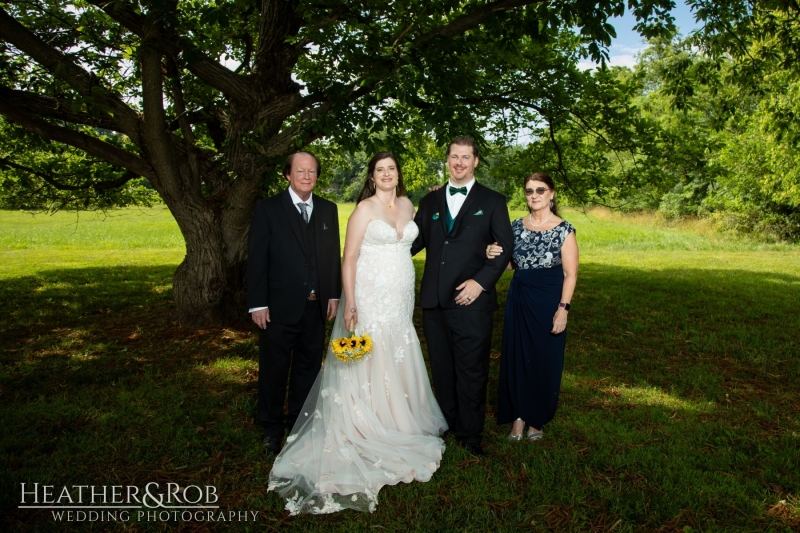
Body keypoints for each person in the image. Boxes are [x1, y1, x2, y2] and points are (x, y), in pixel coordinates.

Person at [268, 152, 447, 515]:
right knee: (368, 353)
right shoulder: (363, 209)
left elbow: (416, 243)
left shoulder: (409, 205)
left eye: (391, 169)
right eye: (380, 170)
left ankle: (400, 418)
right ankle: (367, 422)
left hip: (400, 296)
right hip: (368, 295)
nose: (386, 174)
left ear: (398, 175)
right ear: (372, 176)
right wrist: (350, 302)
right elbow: (348, 258)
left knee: (398, 347)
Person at [411, 136, 514, 457]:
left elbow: (505, 247)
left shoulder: (493, 201)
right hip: (434, 301)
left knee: (472, 368)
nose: (459, 163)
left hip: (473, 302)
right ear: (447, 160)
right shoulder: (429, 202)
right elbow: (411, 245)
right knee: (441, 368)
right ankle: (448, 424)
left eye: (465, 157)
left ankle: (470, 436)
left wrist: (480, 282)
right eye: (454, 156)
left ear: (476, 162)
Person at [247, 152, 342, 455]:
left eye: (311, 172)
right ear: (287, 175)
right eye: (300, 171)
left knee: (308, 368)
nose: (306, 177)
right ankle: (271, 429)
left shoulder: (328, 210)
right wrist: (257, 303)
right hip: (277, 307)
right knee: (274, 371)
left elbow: (331, 257)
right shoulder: (269, 209)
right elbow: (257, 259)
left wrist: (334, 294)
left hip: (315, 307)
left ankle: (299, 425)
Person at [486, 172, 578, 441]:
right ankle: (517, 416)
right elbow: (510, 265)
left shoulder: (564, 229)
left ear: (551, 193)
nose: (534, 195)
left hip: (549, 301)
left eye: (540, 190)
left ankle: (536, 418)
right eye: (529, 191)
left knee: (543, 357)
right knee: (516, 356)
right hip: (520, 298)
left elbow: (570, 274)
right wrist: (490, 253)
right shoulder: (515, 226)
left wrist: (563, 308)